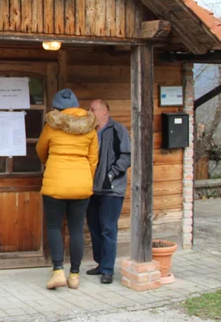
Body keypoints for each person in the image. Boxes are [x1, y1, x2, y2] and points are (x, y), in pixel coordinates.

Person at [36, 88, 98, 290]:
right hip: (81, 185)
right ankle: (74, 275)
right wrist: (84, 177)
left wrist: (51, 163)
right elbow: (93, 160)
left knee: (54, 227)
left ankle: (57, 272)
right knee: (76, 229)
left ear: (57, 108)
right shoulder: (90, 127)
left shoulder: (51, 126)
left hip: (56, 183)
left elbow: (41, 150)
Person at [86, 99, 131, 284]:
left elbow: (126, 156)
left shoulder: (117, 130)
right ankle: (100, 263)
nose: (90, 112)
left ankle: (108, 270)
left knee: (108, 229)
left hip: (111, 191)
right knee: (95, 228)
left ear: (105, 112)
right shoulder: (89, 132)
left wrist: (111, 175)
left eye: (93, 109)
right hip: (91, 189)